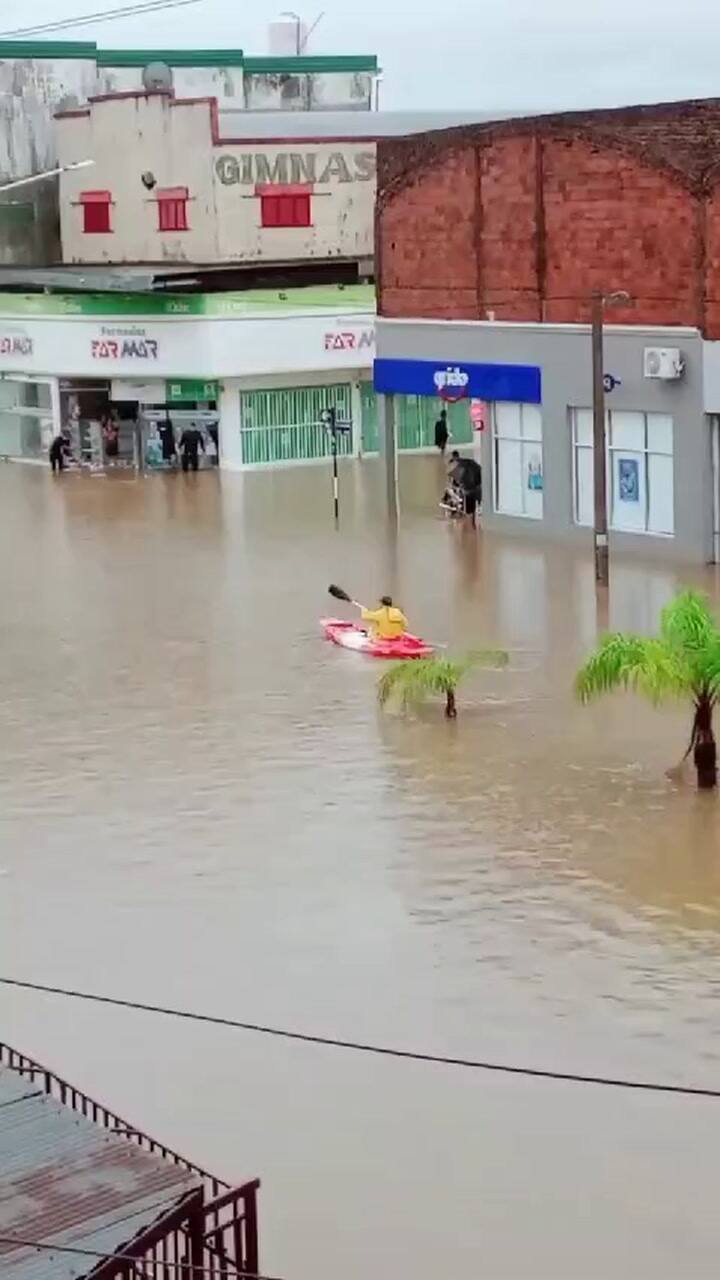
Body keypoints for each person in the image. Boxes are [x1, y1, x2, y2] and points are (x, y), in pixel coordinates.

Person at [449, 450, 482, 525]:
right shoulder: (469, 463)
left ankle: (469, 523)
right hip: (474, 487)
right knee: (471, 508)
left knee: (469, 509)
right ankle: (471, 523)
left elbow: (459, 480)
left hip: (470, 489)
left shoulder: (461, 467)